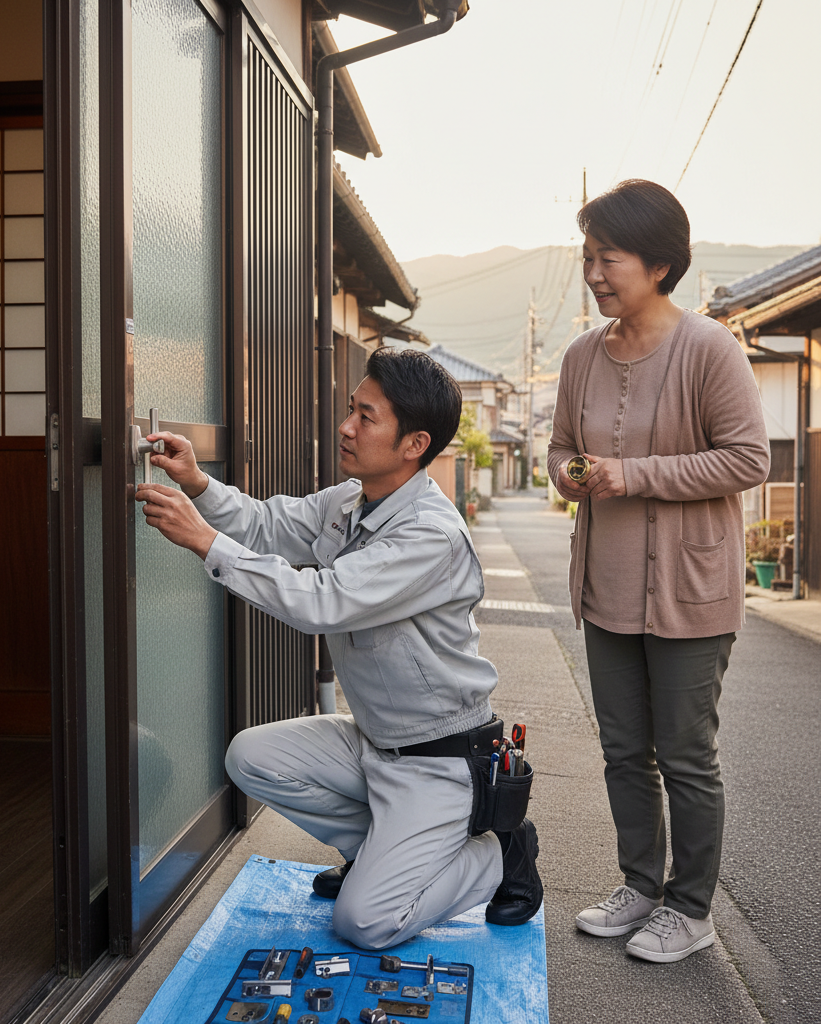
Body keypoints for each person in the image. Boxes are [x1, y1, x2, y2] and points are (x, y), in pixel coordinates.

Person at [135, 347, 542, 950]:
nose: (347, 427)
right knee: (250, 756)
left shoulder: (430, 534)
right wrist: (197, 483)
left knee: (365, 923)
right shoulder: (351, 500)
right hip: (375, 740)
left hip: (437, 762)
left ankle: (498, 856)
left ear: (414, 443)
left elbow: (320, 600)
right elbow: (270, 523)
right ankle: (378, 851)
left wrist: (206, 542)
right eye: (351, 409)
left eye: (366, 416)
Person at [547, 180, 769, 964]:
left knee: (685, 756)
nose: (595, 273)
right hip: (606, 589)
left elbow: (748, 458)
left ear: (659, 263)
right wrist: (571, 474)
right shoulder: (581, 356)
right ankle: (641, 886)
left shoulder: (708, 347)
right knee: (622, 750)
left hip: (690, 592)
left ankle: (691, 907)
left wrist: (631, 474)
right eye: (588, 258)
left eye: (608, 258)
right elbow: (560, 450)